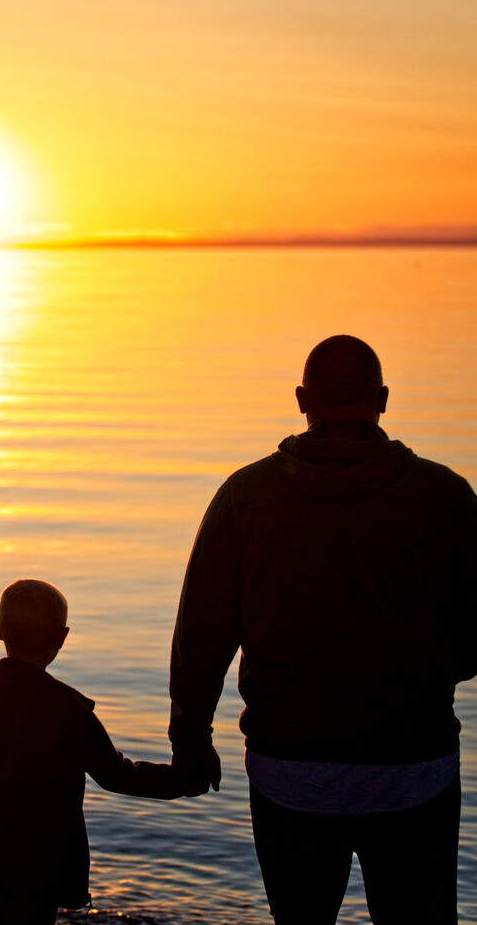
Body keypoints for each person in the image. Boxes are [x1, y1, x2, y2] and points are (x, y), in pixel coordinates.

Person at [169, 334, 477, 925]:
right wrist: (429, 671)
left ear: (302, 399)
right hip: (413, 767)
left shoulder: (245, 496)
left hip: (292, 770)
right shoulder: (444, 495)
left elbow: (203, 632)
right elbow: (476, 632)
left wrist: (190, 739)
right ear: (383, 400)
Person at [0, 579, 204, 925]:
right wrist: (184, 778)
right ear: (61, 638)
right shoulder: (69, 710)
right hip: (43, 862)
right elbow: (118, 775)